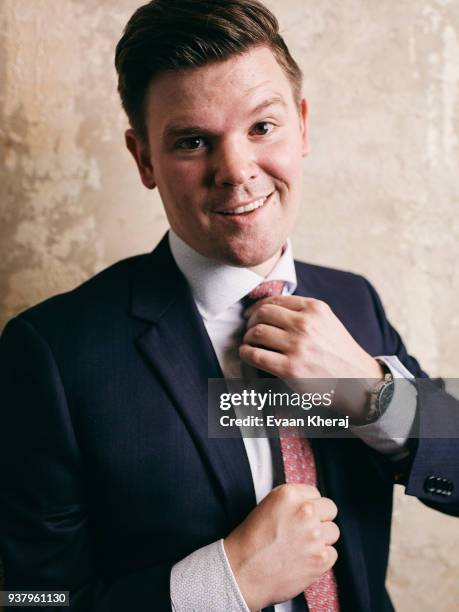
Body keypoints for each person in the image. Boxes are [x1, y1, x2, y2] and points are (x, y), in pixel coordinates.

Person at [0, 1, 458, 611]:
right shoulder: (50, 352)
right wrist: (224, 584)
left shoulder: (355, 299)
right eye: (193, 141)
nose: (237, 170)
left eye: (262, 127)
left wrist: (370, 391)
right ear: (144, 159)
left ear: (301, 124)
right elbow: (29, 600)